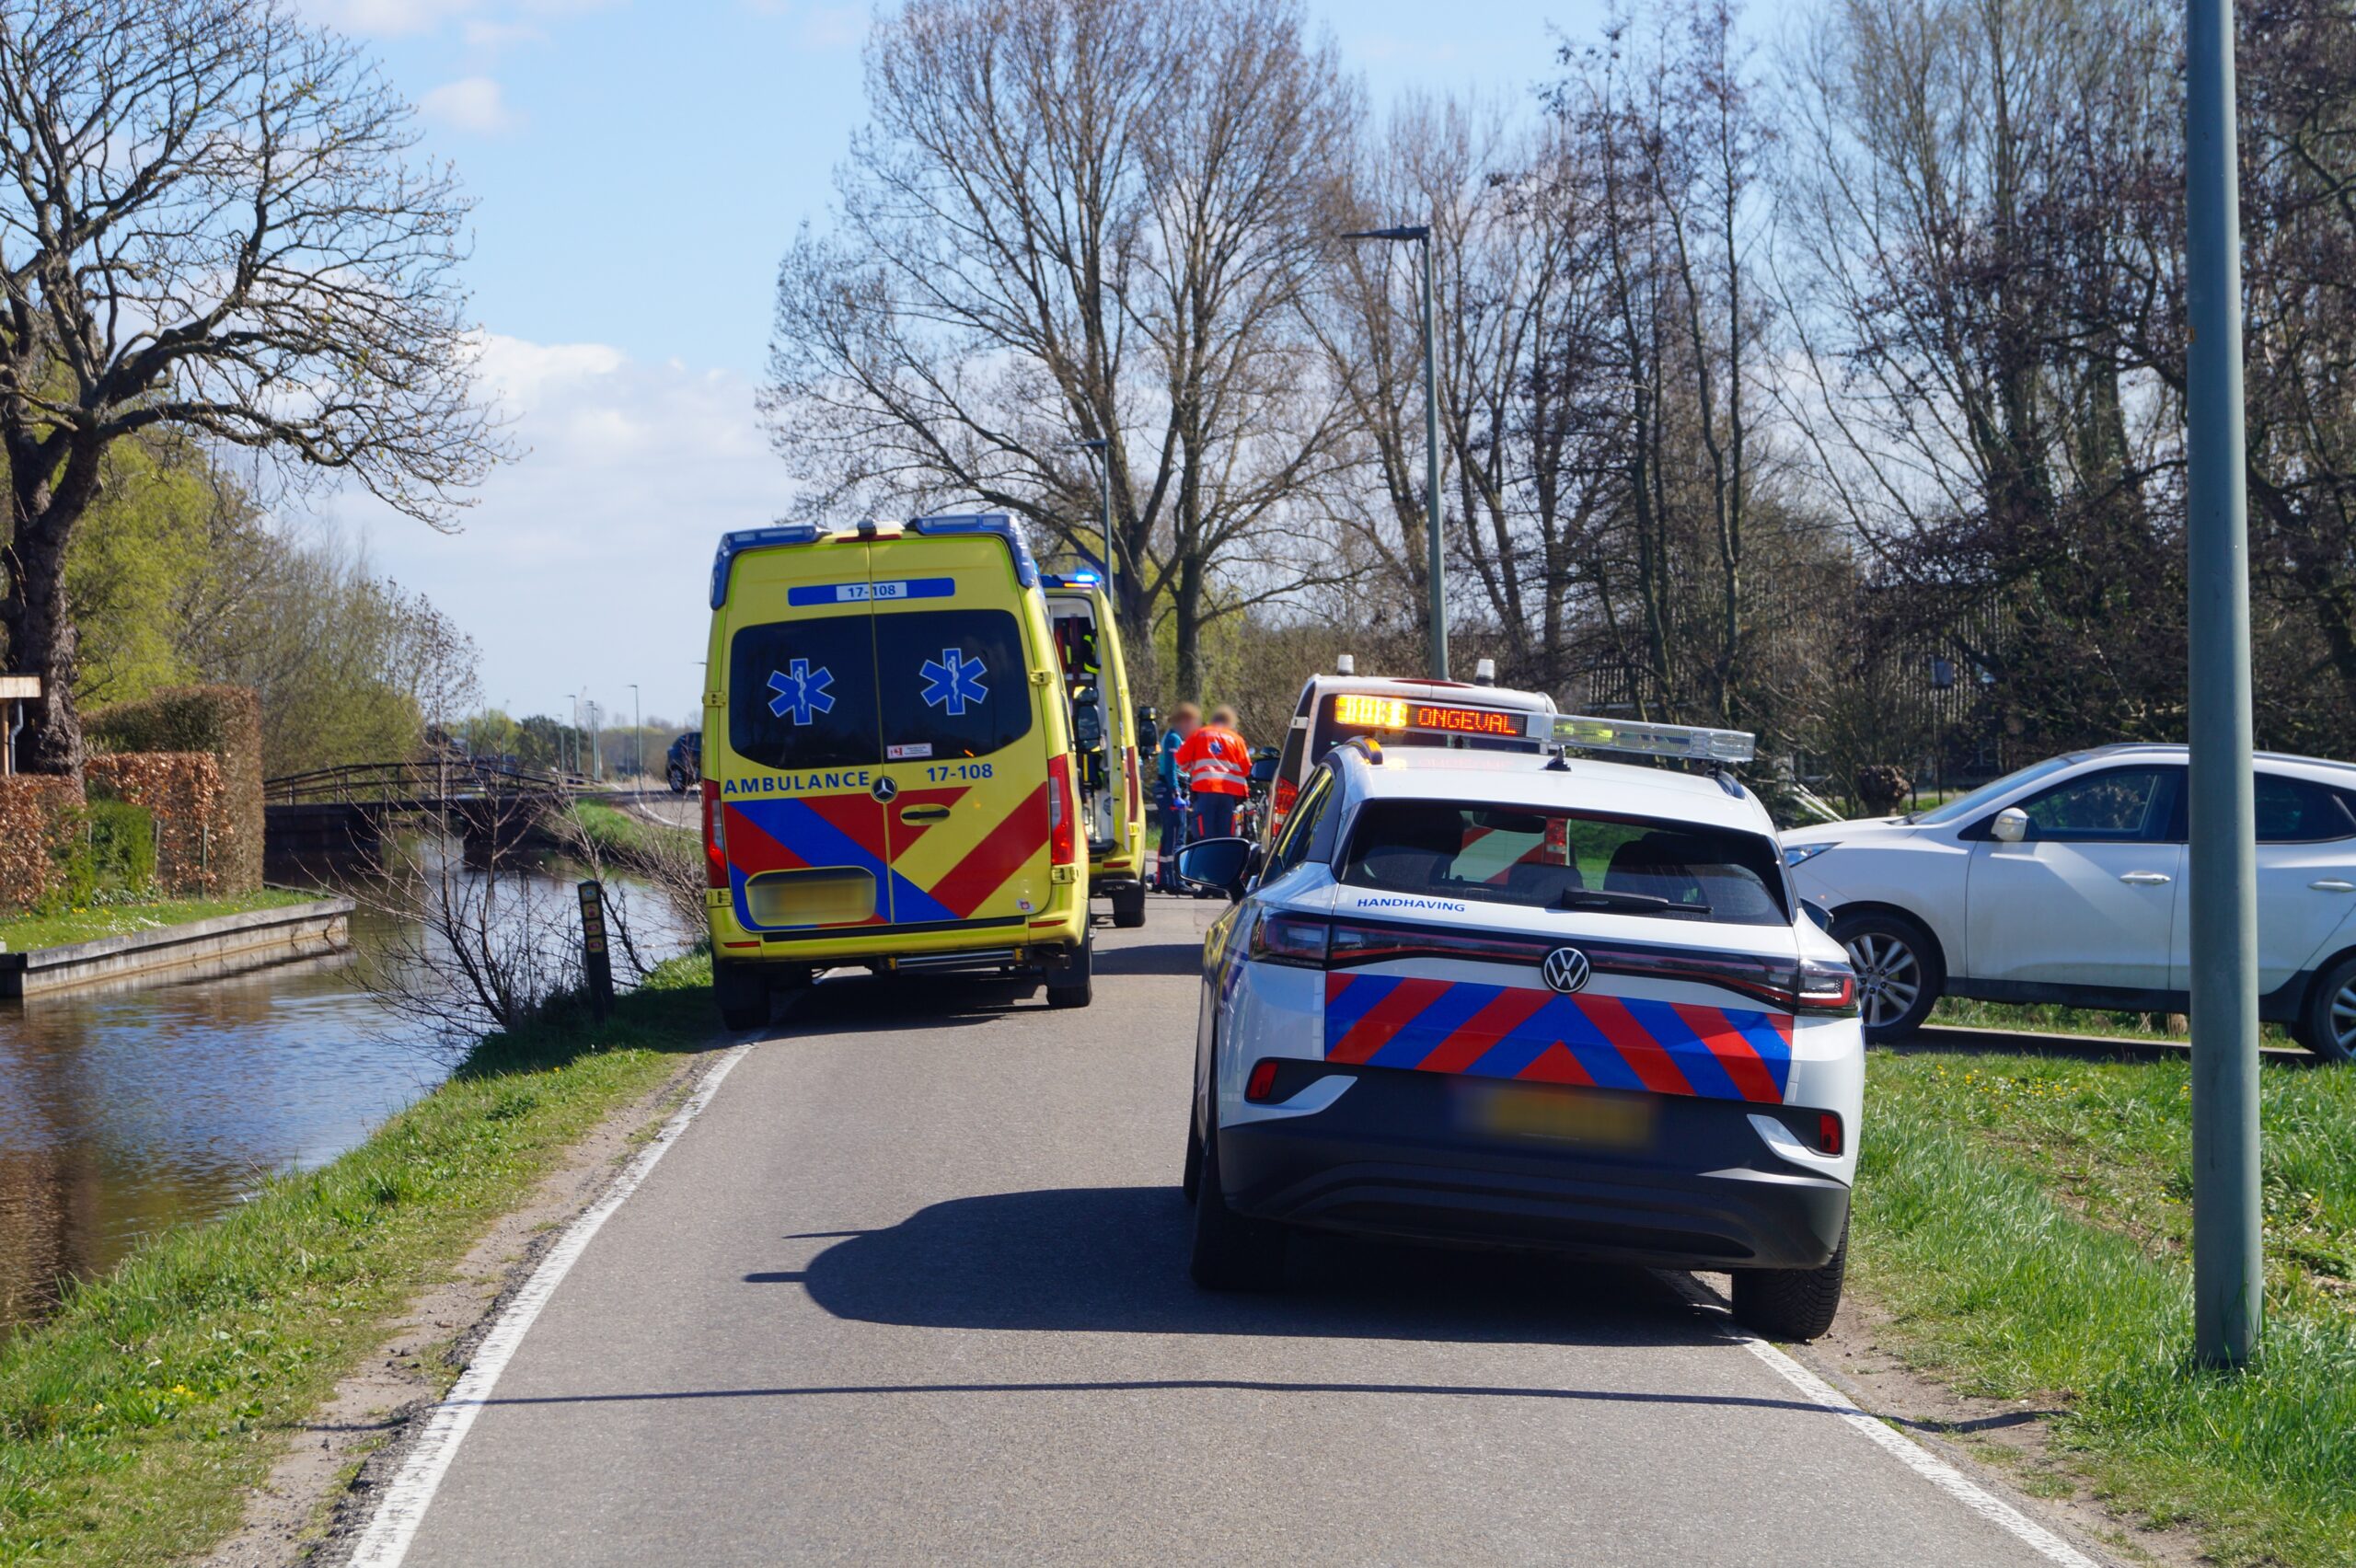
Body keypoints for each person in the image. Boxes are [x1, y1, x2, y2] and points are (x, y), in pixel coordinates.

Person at [1176, 705, 1251, 847]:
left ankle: (1205, 865)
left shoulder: (1199, 734)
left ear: (1212, 720)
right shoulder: (1236, 739)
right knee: (1225, 835)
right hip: (1228, 793)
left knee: (1205, 835)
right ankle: (1222, 864)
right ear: (1230, 722)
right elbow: (1246, 768)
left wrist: (1190, 768)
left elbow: (1181, 759)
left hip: (1206, 790)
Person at [1156, 703, 1198, 892]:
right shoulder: (1173, 739)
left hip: (1167, 788)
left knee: (1168, 837)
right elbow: (1171, 767)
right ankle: (1176, 880)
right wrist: (1176, 792)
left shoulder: (1172, 737)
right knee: (1177, 837)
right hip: (1170, 789)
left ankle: (1164, 878)